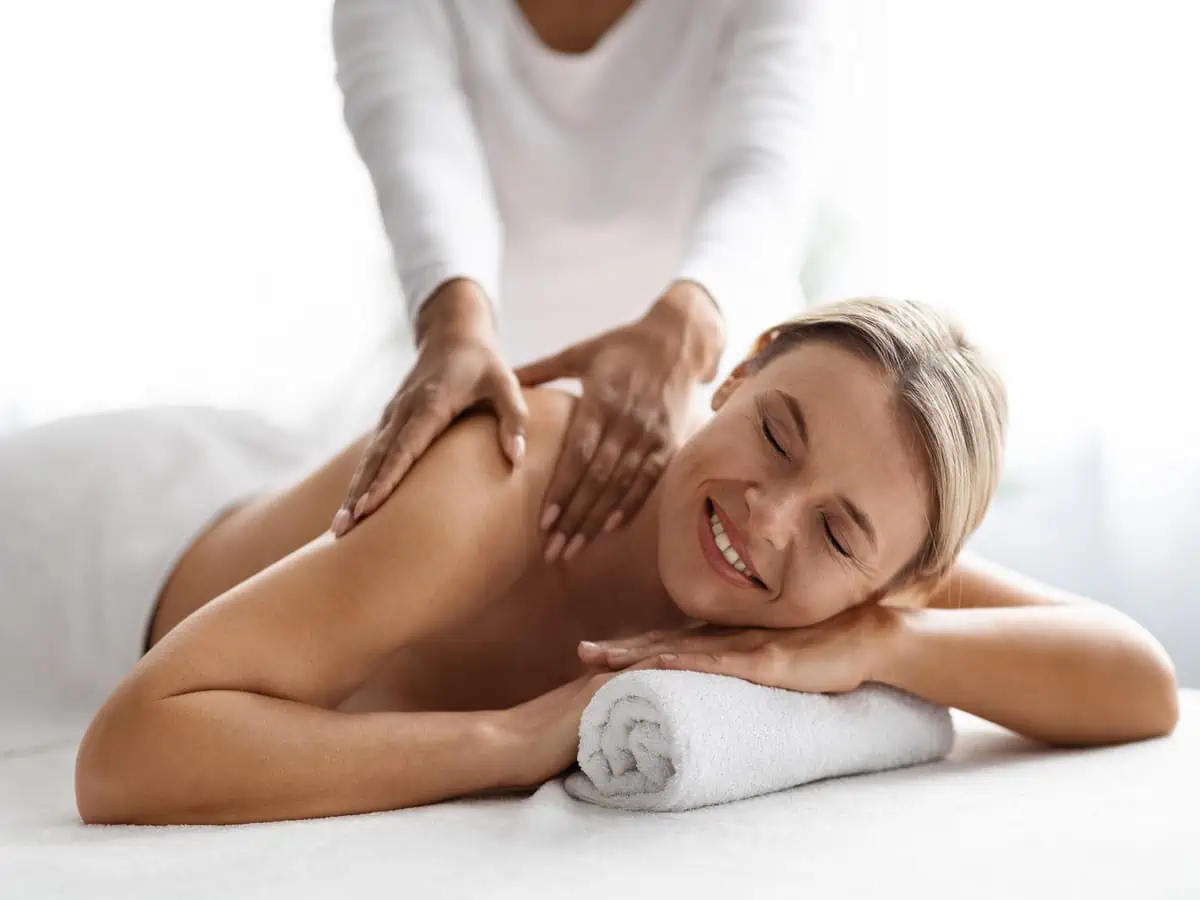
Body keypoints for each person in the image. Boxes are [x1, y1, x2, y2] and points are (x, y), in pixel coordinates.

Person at [37, 298, 1175, 827]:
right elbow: (132, 754)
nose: (768, 521)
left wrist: (872, 644)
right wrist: (520, 735)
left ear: (896, 579)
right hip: (92, 551)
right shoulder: (520, 477)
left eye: (838, 534)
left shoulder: (858, 591)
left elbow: (1134, 678)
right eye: (776, 434)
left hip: (256, 483)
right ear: (736, 374)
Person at [327, 0, 845, 561]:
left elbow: (764, 170)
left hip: (709, 386)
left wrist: (690, 326)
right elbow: (423, 158)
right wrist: (454, 327)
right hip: (486, 396)